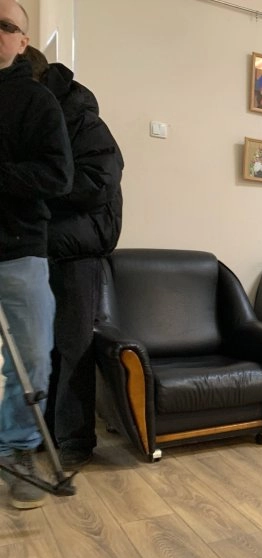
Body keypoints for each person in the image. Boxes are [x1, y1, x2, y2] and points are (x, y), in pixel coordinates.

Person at [22, 45, 124, 470]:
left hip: (80, 245)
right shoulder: (33, 115)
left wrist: (36, 191)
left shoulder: (79, 115)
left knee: (73, 345)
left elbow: (99, 180)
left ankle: (75, 440)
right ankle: (43, 433)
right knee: (39, 346)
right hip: (42, 243)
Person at [0, 0, 73, 509]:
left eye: (6, 26)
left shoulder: (37, 101)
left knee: (30, 363)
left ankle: (17, 449)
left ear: (23, 42)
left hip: (19, 250)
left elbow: (58, 175)